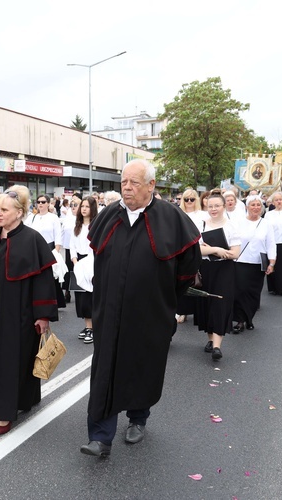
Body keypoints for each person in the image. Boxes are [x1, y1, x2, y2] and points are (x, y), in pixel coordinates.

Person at [80, 160, 201, 458]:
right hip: (109, 310)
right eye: (123, 182)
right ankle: (100, 436)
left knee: (141, 365)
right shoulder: (109, 215)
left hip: (150, 310)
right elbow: (97, 260)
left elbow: (187, 268)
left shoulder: (172, 218)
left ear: (151, 186)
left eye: (134, 182)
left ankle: (138, 418)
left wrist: (164, 298)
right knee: (105, 367)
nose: (127, 188)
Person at [0, 185, 58, 435]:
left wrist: (43, 316)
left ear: (19, 212)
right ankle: (16, 402)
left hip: (22, 314)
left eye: (4, 210)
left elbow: (43, 281)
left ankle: (5, 414)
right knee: (1, 360)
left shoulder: (33, 239)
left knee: (18, 358)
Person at [194, 191, 241, 361]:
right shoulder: (201, 225)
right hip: (205, 268)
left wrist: (215, 250)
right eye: (210, 206)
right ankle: (210, 339)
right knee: (207, 303)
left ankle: (216, 346)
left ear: (224, 206)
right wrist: (217, 250)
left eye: (217, 206)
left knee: (221, 303)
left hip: (224, 270)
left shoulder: (231, 226)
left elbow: (235, 253)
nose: (213, 209)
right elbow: (197, 250)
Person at [232, 195, 276, 333]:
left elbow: (271, 243)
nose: (256, 207)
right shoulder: (238, 222)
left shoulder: (266, 223)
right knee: (240, 291)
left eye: (258, 205)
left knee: (254, 293)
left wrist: (272, 263)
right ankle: (240, 320)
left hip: (258, 263)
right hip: (240, 262)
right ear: (247, 207)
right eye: (253, 205)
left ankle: (249, 318)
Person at [25, 194, 66, 308]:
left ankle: (54, 301)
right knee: (36, 276)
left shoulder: (53, 218)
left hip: (49, 248)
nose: (40, 204)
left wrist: (56, 252)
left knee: (50, 277)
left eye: (43, 202)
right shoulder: (32, 217)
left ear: (48, 203)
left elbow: (58, 236)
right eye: (38, 202)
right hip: (34, 249)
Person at [70, 196, 97, 343]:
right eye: (82, 206)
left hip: (91, 261)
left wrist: (87, 262)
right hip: (78, 262)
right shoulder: (77, 225)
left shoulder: (96, 225)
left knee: (90, 296)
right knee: (80, 296)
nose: (84, 209)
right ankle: (87, 326)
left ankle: (92, 328)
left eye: (87, 206)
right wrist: (75, 261)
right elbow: (72, 245)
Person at [176, 188, 206, 324]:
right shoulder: (178, 213)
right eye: (186, 199)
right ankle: (181, 311)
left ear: (196, 200)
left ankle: (195, 310)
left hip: (198, 250)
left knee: (196, 281)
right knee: (182, 280)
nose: (189, 202)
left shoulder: (202, 215)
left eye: (192, 199)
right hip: (181, 250)